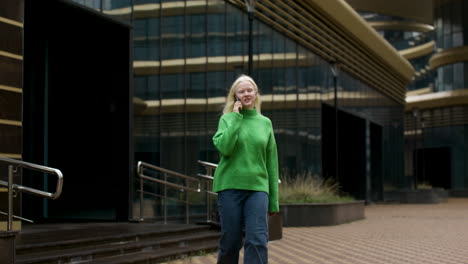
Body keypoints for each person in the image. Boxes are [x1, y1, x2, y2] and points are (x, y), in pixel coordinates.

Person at [212, 74, 279, 264]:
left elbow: (271, 162)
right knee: (231, 242)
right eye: (241, 91)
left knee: (257, 240)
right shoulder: (227, 120)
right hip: (230, 187)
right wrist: (235, 117)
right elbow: (225, 148)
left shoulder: (265, 123)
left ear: (256, 93)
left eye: (249, 90)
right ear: (235, 96)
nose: (246, 94)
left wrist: (273, 199)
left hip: (257, 188)